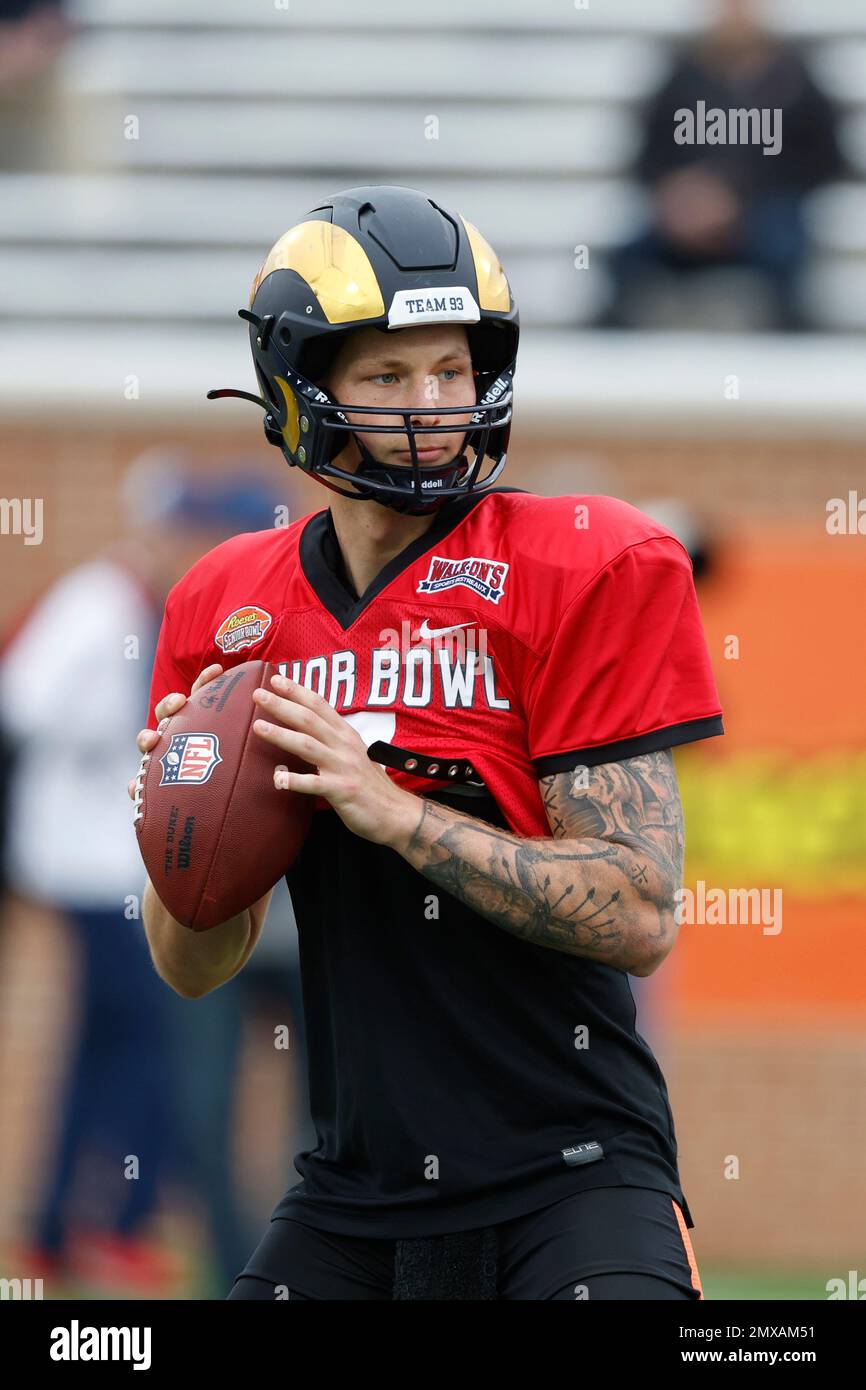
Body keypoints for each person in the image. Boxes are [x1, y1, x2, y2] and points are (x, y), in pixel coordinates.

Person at [132, 184, 723, 1300]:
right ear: (301, 387)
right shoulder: (227, 601)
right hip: (352, 1186)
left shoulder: (581, 561)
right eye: (388, 376)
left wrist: (392, 809)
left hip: (573, 1173)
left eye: (450, 371)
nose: (431, 406)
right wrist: (177, 834)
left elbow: (639, 910)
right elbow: (192, 965)